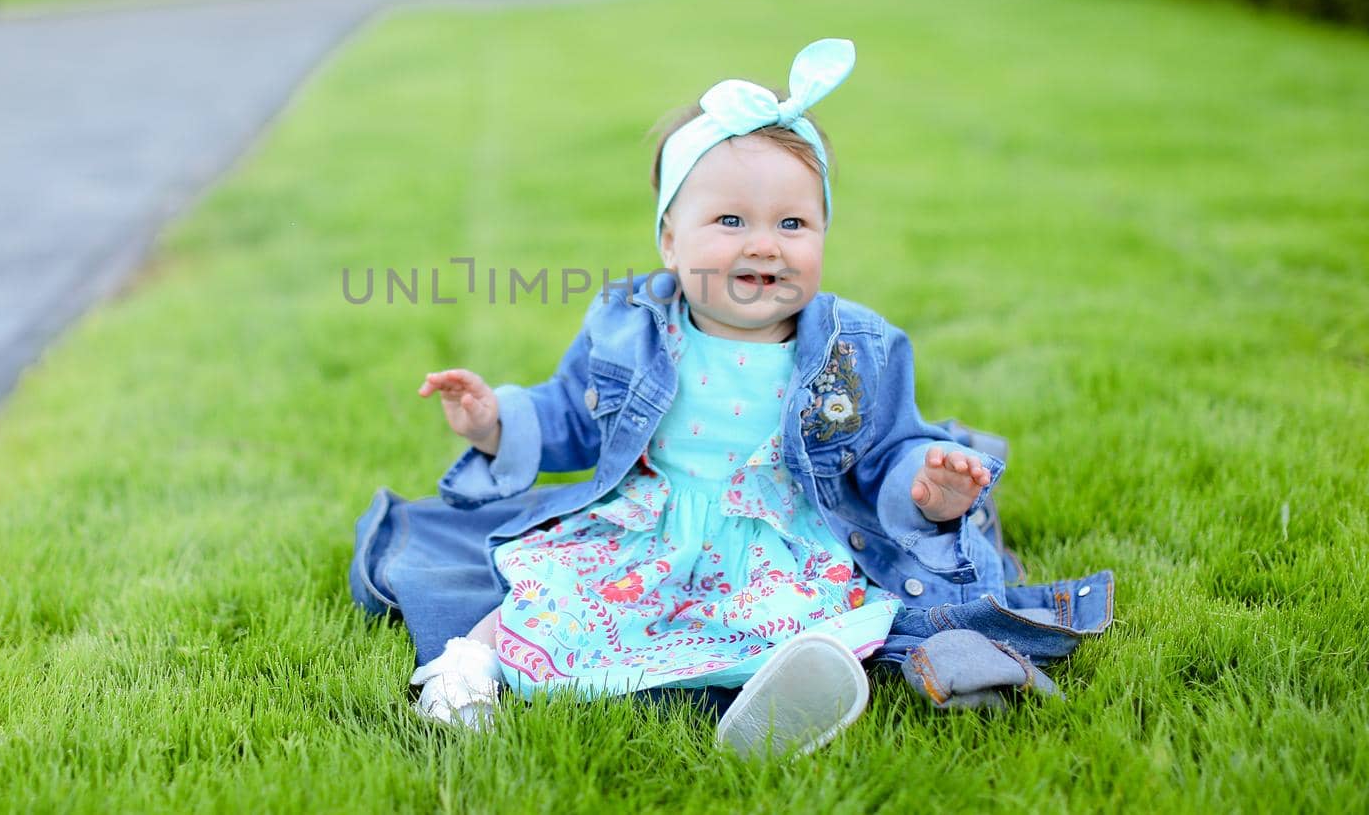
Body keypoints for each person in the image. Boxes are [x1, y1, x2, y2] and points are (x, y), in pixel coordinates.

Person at [401, 39, 1003, 757]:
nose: (765, 245)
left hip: (777, 536)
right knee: (554, 590)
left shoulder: (854, 346)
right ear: (668, 240)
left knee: (817, 613)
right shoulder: (631, 325)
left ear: (822, 233)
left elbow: (885, 447)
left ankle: (783, 698)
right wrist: (494, 418)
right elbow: (572, 413)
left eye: (792, 224)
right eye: (730, 222)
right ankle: (470, 664)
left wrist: (925, 481)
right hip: (651, 526)